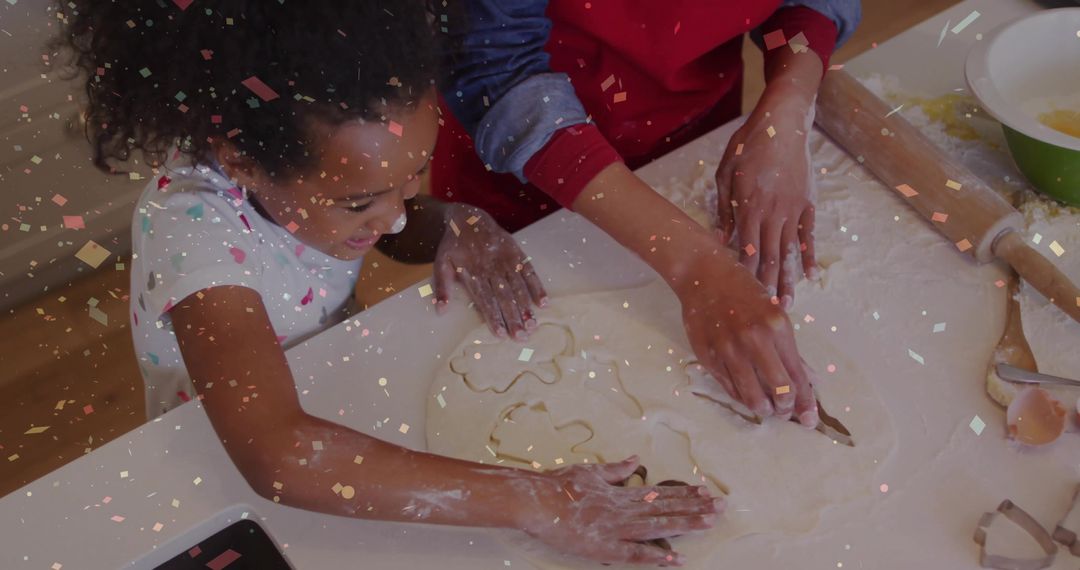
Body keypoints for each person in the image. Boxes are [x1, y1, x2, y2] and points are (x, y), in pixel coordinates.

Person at [53, 0, 719, 565]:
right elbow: (277, 454)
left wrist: (450, 223)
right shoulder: (191, 236)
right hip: (225, 463)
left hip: (334, 401)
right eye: (362, 202)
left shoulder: (316, 170)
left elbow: (397, 229)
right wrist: (538, 500)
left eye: (411, 180)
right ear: (241, 164)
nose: (395, 214)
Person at [435, 0, 861, 426]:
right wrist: (699, 266)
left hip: (694, 141)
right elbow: (495, 64)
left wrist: (789, 105)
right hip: (535, 178)